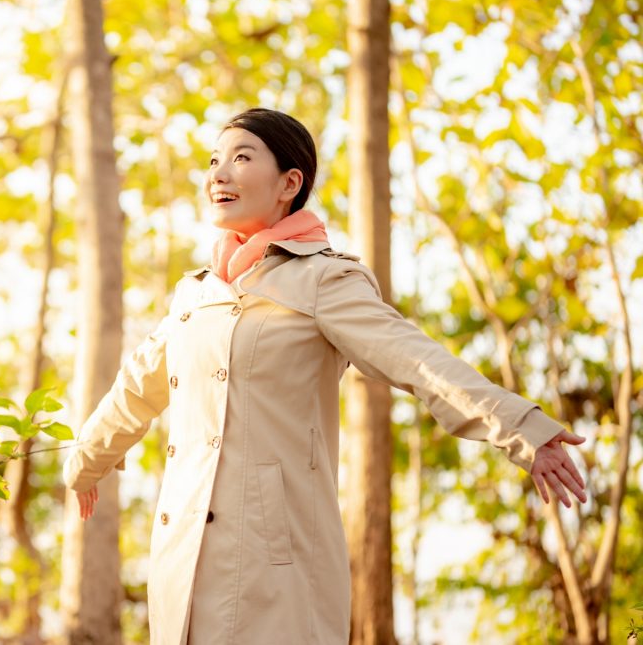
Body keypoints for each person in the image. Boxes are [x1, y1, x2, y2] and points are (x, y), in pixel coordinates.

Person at [62, 107, 587, 644]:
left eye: (242, 158)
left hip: (276, 561)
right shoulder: (195, 295)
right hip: (183, 557)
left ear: (290, 182)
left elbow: (415, 359)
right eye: (215, 160)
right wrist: (86, 460)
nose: (219, 173)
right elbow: (136, 386)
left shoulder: (324, 278)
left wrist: (523, 428)